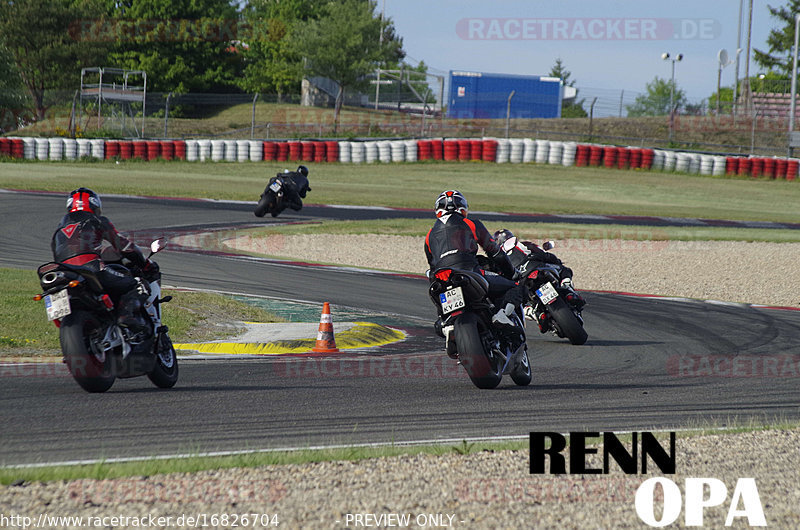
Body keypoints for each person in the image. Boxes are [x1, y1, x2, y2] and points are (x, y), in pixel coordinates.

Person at [51, 188, 154, 344]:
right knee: (137, 284)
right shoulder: (98, 221)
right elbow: (125, 247)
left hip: (63, 273)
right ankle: (126, 316)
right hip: (91, 268)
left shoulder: (58, 230)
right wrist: (144, 263)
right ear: (95, 206)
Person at [424, 190, 525, 332]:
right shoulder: (471, 224)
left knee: (440, 318)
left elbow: (432, 268)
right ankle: (501, 314)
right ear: (463, 208)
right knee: (516, 286)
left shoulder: (429, 236)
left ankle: (446, 324)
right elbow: (495, 252)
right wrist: (511, 272)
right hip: (469, 271)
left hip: (441, 280)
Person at [493, 228, 585, 314]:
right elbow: (542, 253)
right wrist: (556, 261)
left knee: (516, 295)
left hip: (522, 278)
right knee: (564, 269)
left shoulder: (498, 257)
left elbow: (500, 275)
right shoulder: (524, 244)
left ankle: (531, 311)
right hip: (537, 268)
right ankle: (568, 289)